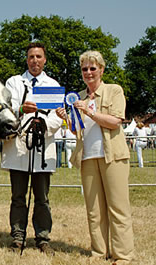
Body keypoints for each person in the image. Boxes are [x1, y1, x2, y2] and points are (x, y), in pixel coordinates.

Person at [56, 50, 134, 264]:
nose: (88, 72)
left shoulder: (114, 91)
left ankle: (123, 255)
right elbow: (77, 130)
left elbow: (115, 121)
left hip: (112, 156)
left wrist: (89, 112)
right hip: (87, 157)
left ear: (101, 69)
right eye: (84, 69)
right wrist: (66, 119)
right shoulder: (79, 96)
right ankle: (99, 253)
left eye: (92, 68)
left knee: (118, 207)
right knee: (94, 210)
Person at [1, 42, 62, 255]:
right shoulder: (13, 82)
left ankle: (43, 238)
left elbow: (57, 115)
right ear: (26, 60)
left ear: (44, 59)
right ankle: (17, 237)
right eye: (31, 57)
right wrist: (20, 109)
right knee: (18, 196)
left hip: (42, 146)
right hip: (19, 146)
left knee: (42, 198)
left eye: (38, 56)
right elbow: (6, 109)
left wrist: (45, 125)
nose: (35, 60)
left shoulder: (52, 84)